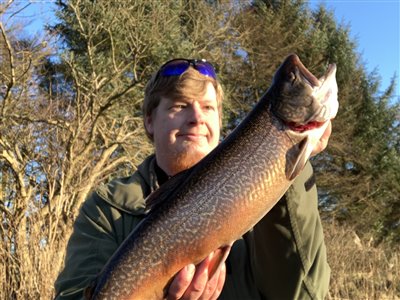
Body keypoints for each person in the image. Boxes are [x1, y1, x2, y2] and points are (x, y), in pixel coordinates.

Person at [54, 58, 332, 299]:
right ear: (150, 120)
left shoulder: (265, 196)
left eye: (208, 108)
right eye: (180, 105)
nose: (197, 118)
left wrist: (294, 163)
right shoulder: (107, 207)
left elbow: (304, 293)